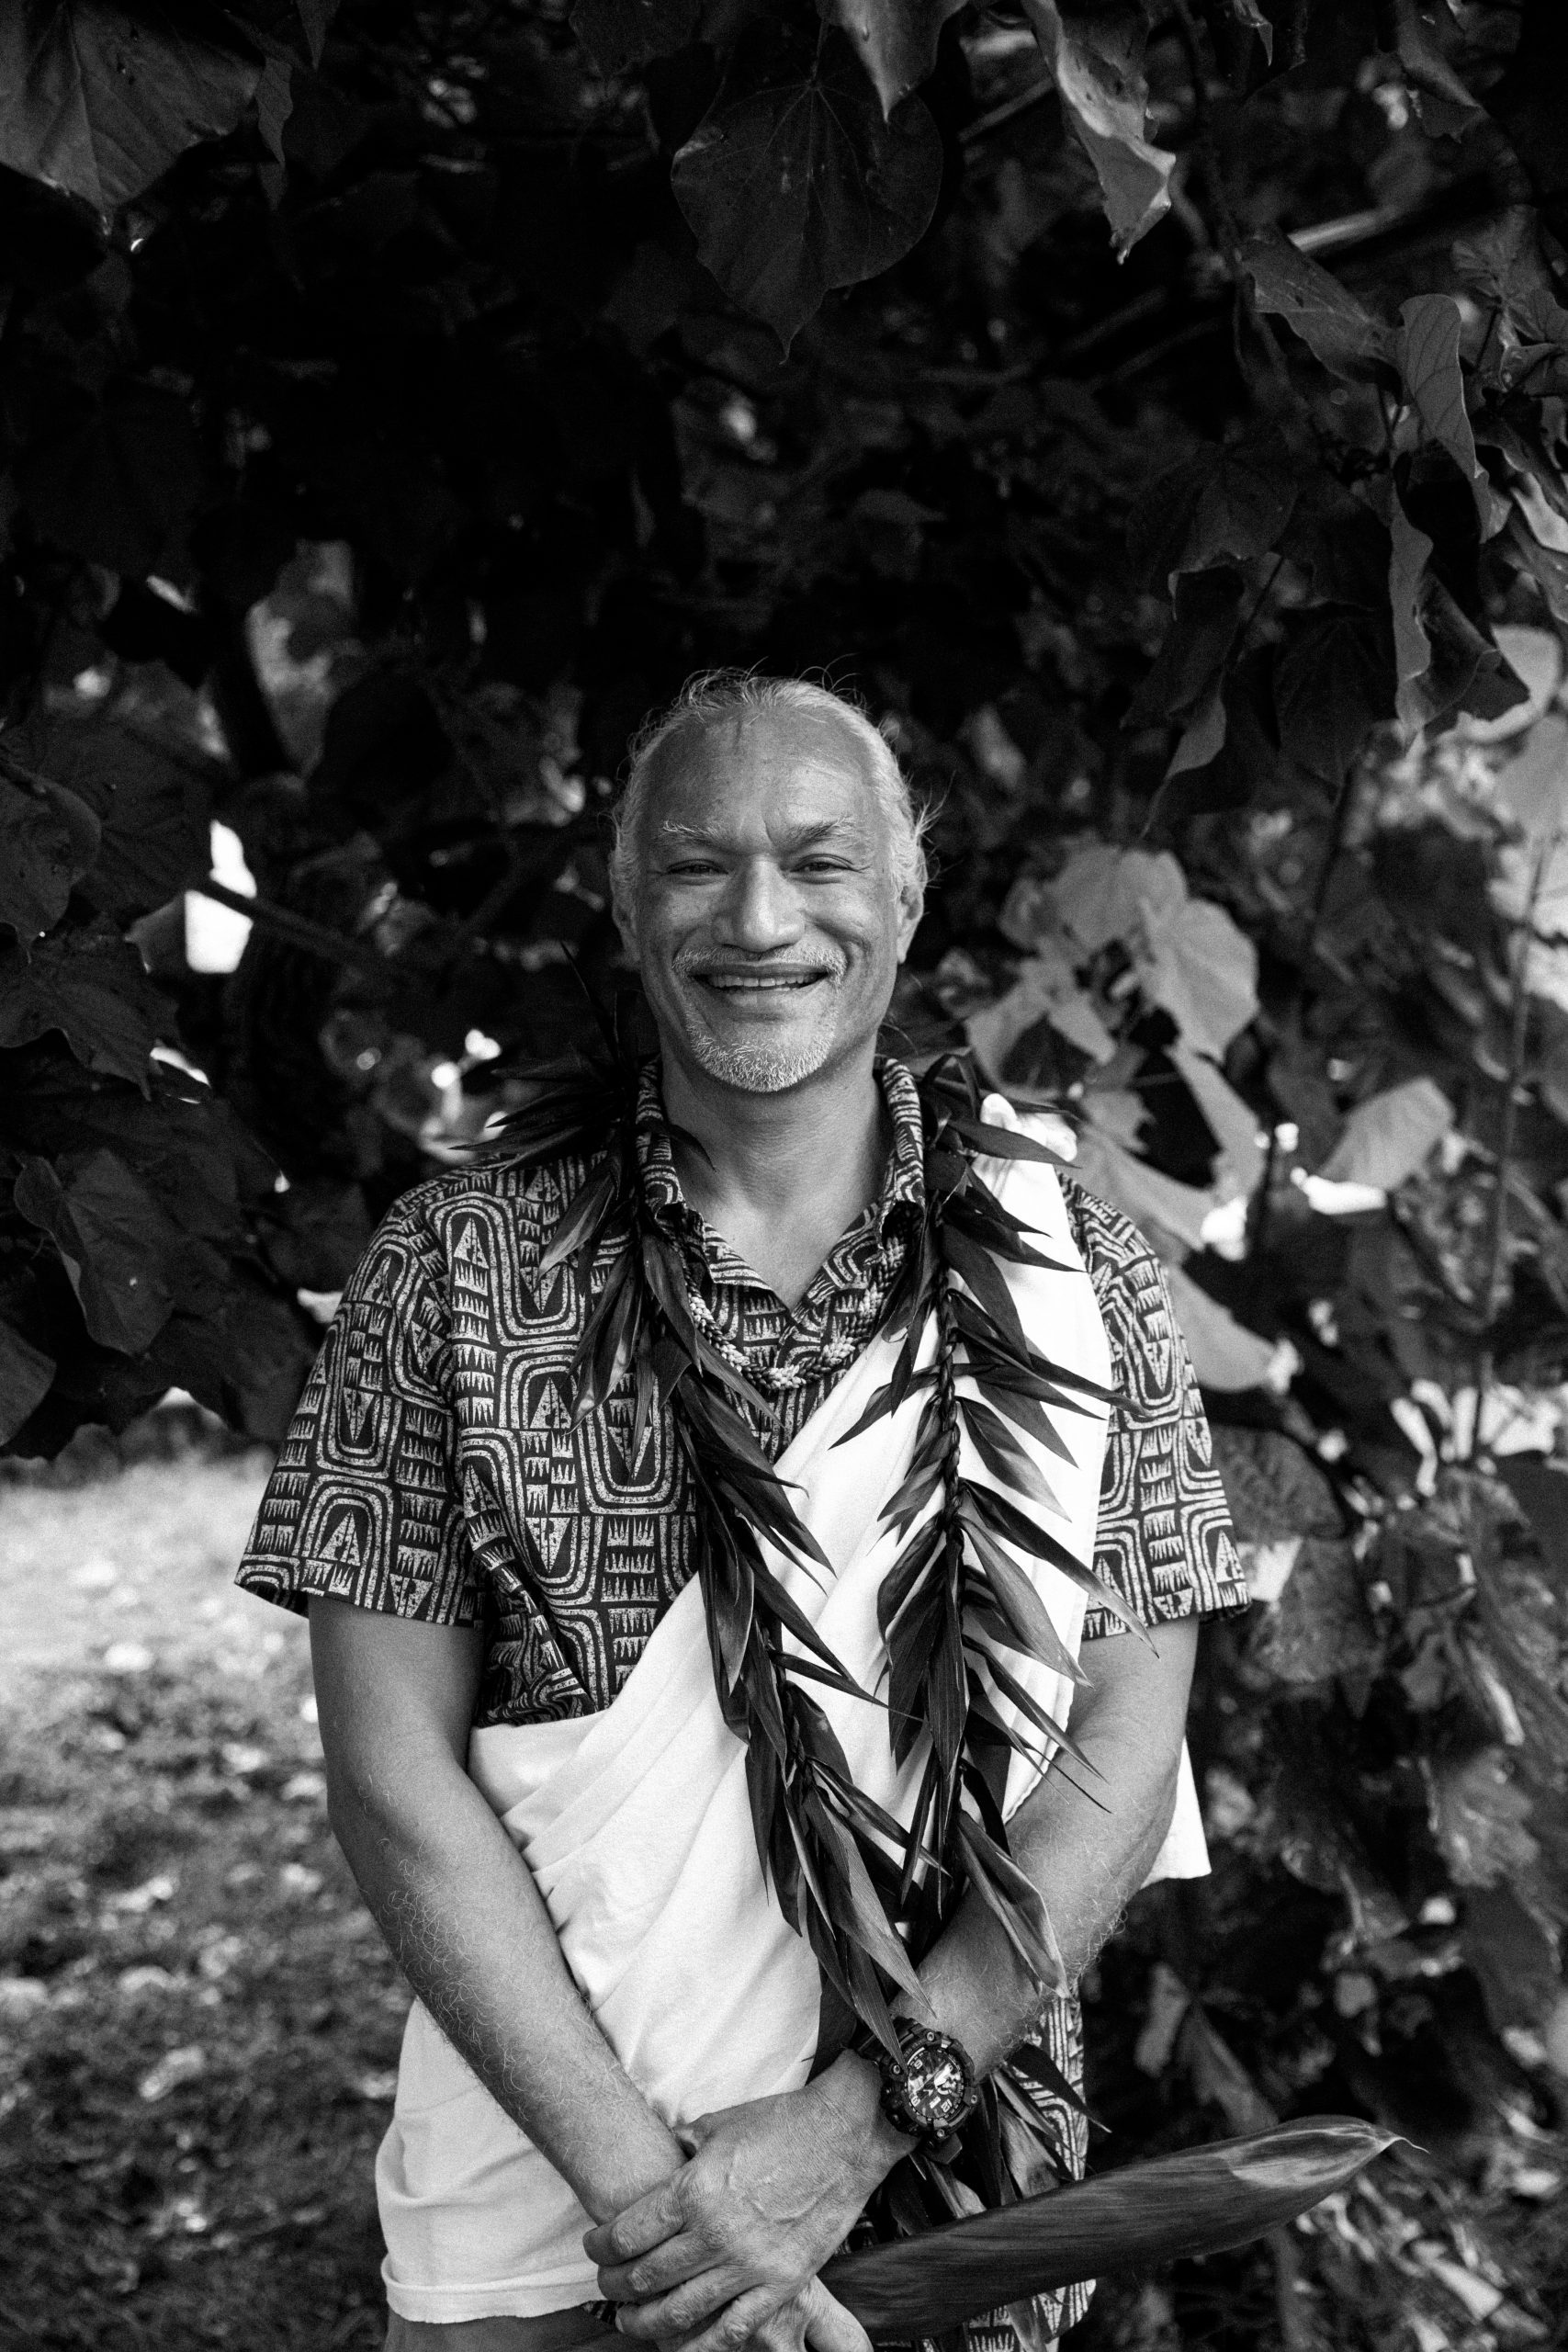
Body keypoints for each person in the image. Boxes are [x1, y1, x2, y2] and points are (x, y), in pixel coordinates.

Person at [235, 673, 1249, 2352]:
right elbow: (390, 1777)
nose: (761, 920)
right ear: (628, 904)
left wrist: (851, 2137)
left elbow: (1124, 1754)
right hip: (545, 2228)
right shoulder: (457, 1266)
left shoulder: (1079, 1266)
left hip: (948, 2214)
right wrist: (672, 2217)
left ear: (906, 896)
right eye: (699, 865)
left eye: (819, 861)